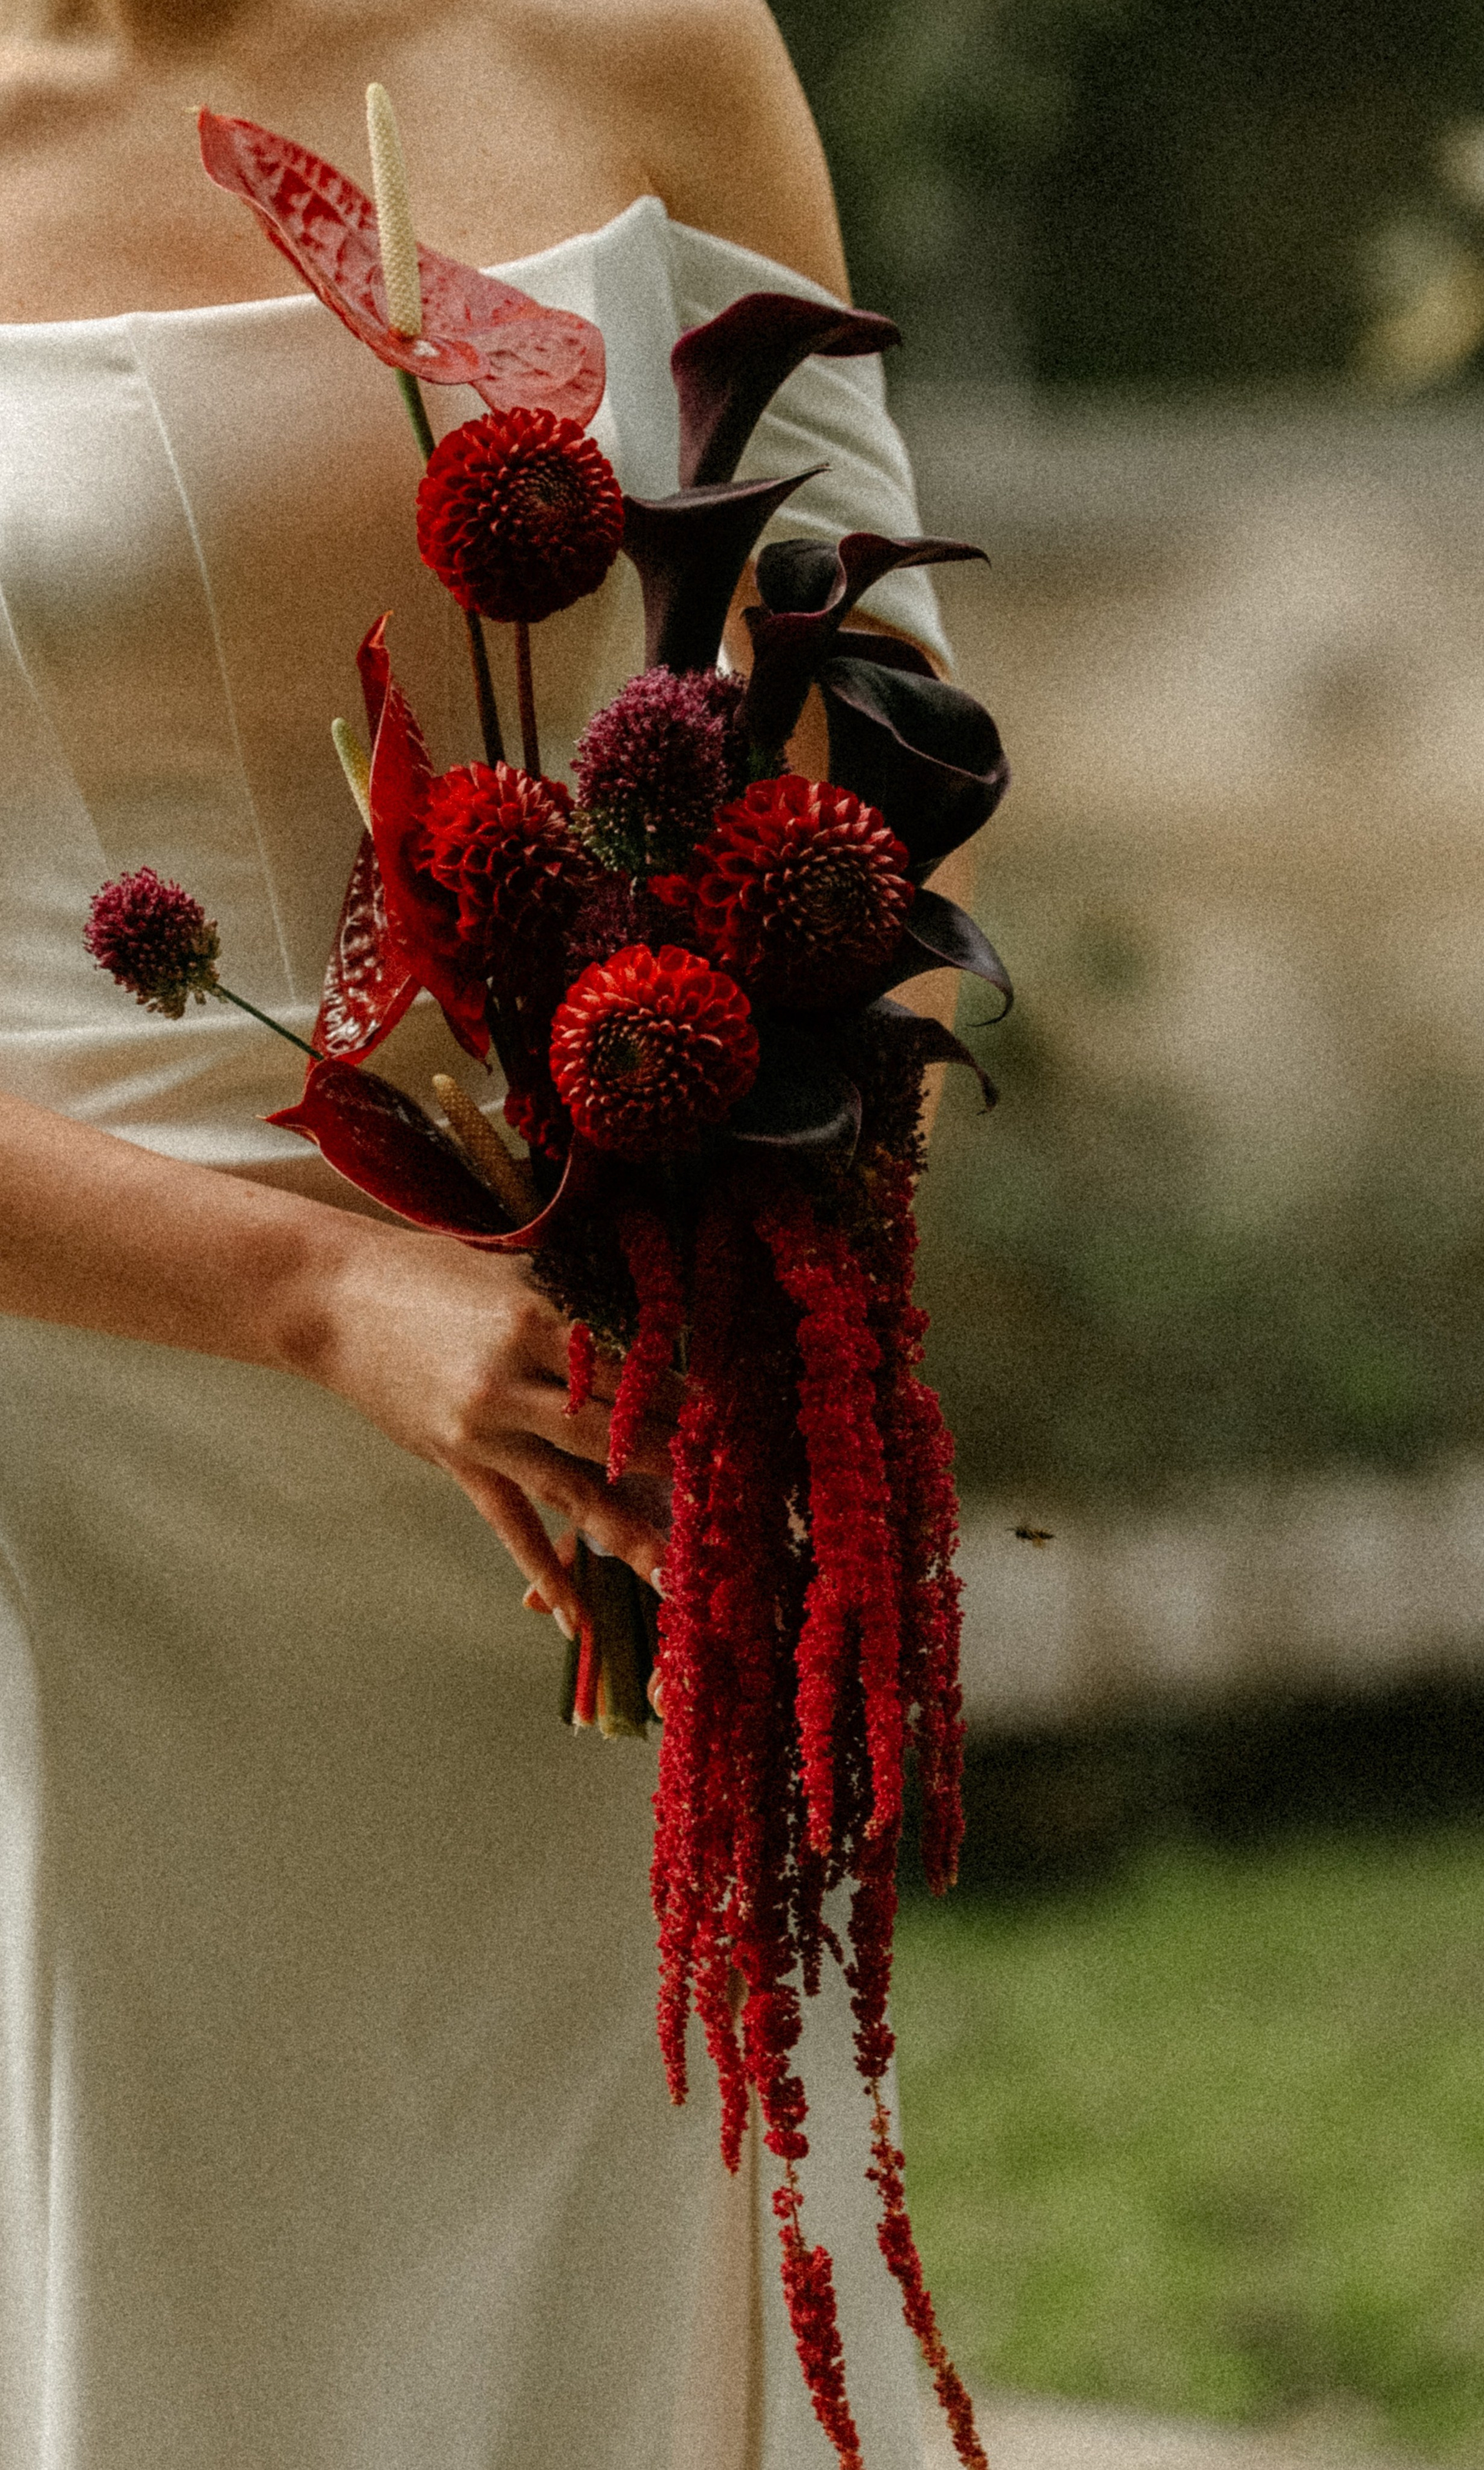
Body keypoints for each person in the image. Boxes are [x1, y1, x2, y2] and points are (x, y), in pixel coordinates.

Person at [0, 2, 960, 2465]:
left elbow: (878, 733)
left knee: (622, 2240)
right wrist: (319, 1287)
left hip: (603, 1364)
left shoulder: (636, 31)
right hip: (83, 1413)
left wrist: (729, 1222)